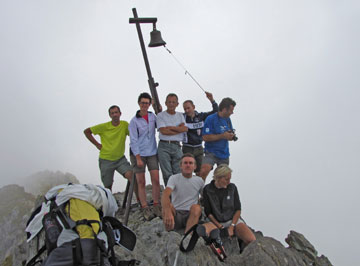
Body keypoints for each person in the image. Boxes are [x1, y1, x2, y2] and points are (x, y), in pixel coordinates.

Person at [200, 164, 256, 249]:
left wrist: (232, 226)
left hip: (232, 221)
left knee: (252, 240)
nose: (229, 182)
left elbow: (238, 209)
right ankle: (214, 243)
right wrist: (219, 226)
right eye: (226, 179)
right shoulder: (207, 189)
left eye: (229, 179)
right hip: (215, 222)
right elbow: (209, 212)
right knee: (202, 232)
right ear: (218, 177)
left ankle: (241, 247)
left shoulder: (232, 188)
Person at [84, 105, 134, 192]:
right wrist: (97, 144)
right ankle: (110, 203)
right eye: (112, 113)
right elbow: (87, 131)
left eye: (116, 112)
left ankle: (139, 201)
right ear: (110, 115)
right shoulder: (104, 126)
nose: (114, 115)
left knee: (132, 176)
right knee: (108, 187)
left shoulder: (124, 125)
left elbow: (134, 135)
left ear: (120, 114)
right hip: (105, 160)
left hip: (120, 159)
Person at [129, 92, 161, 220]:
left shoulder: (153, 116)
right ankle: (144, 207)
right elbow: (133, 140)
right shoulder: (134, 121)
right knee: (141, 181)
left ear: (150, 104)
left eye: (147, 103)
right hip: (138, 153)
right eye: (142, 103)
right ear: (139, 103)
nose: (144, 105)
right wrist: (137, 157)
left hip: (152, 151)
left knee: (156, 180)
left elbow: (161, 123)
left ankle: (156, 204)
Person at [161, 153, 204, 233]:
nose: (188, 165)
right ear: (180, 166)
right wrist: (167, 211)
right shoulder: (174, 178)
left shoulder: (199, 181)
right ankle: (170, 232)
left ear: (194, 167)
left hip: (190, 214)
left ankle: (187, 235)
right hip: (176, 213)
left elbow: (205, 197)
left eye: (190, 163)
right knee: (167, 206)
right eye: (185, 163)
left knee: (196, 208)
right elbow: (165, 194)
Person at [199, 97, 237, 181]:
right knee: (203, 171)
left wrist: (231, 137)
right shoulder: (210, 119)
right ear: (224, 109)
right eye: (231, 110)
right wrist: (222, 136)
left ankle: (219, 193)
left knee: (224, 177)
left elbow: (229, 132)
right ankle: (200, 192)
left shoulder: (227, 120)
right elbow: (205, 137)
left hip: (224, 154)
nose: (232, 113)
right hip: (211, 152)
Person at [182, 91, 218, 175]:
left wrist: (212, 100)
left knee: (201, 172)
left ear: (193, 107)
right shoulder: (182, 117)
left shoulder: (202, 116)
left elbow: (216, 112)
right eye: (185, 109)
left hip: (199, 148)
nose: (187, 110)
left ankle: (199, 188)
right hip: (187, 148)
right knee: (187, 172)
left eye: (188, 108)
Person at [157, 93, 188, 185]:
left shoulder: (180, 115)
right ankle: (169, 196)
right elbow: (163, 131)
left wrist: (170, 127)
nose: (171, 104)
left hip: (177, 146)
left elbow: (185, 129)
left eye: (173, 102)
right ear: (165, 103)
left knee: (179, 172)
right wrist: (178, 129)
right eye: (169, 102)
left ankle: (178, 195)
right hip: (164, 146)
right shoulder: (160, 115)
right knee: (167, 173)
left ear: (177, 104)